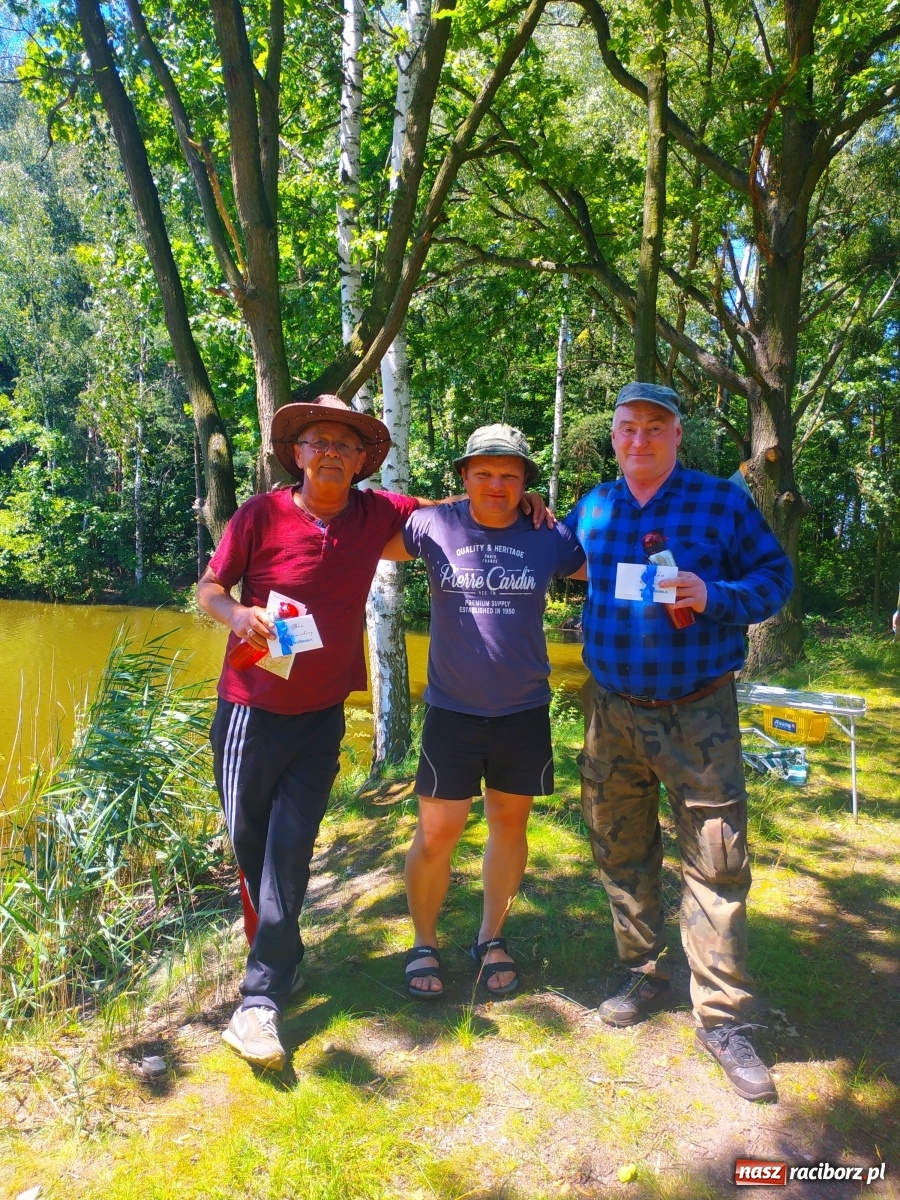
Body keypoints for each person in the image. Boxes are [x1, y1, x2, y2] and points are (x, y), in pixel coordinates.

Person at [198, 396, 548, 1071]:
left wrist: (519, 499)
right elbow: (209, 587)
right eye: (318, 441)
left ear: (362, 460)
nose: (331, 452)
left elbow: (458, 507)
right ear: (298, 453)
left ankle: (261, 996)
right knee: (251, 847)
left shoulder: (377, 513)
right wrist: (236, 615)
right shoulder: (259, 514)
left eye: (345, 443)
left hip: (322, 713)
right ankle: (279, 953)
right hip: (249, 710)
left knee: (290, 851)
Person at [564, 382, 793, 1103]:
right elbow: (551, 557)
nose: (640, 439)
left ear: (677, 435)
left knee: (717, 858)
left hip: (699, 714)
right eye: (628, 427)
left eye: (654, 428)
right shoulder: (594, 507)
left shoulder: (720, 502)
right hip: (611, 711)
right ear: (614, 436)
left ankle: (724, 1017)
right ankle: (644, 970)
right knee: (619, 844)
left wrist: (714, 596)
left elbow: (775, 578)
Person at [381, 425, 584, 999]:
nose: (497, 485)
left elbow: (613, 564)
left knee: (509, 826)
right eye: (484, 473)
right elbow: (361, 535)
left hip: (524, 710)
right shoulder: (432, 526)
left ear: (526, 482)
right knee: (436, 834)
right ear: (464, 476)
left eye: (510, 475)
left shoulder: (549, 535)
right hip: (452, 712)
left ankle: (490, 937)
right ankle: (424, 942)